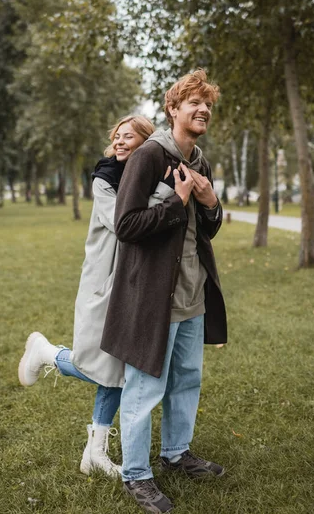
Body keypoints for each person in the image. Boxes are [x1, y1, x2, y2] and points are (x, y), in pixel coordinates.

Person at [101, 70, 228, 513]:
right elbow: (126, 225)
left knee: (187, 380)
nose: (203, 110)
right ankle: (136, 475)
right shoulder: (149, 157)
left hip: (193, 293)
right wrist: (176, 203)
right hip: (152, 297)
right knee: (144, 387)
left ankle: (176, 451)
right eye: (193, 102)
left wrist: (210, 203)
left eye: (207, 104)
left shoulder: (201, 162)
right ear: (173, 109)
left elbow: (207, 231)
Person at [18, 115, 156, 477]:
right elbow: (126, 224)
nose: (122, 141)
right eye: (118, 136)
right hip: (104, 279)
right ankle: (48, 353)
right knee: (99, 363)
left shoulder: (144, 176)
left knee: (118, 369)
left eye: (131, 137)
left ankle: (94, 453)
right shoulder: (105, 178)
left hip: (132, 281)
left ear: (147, 143)